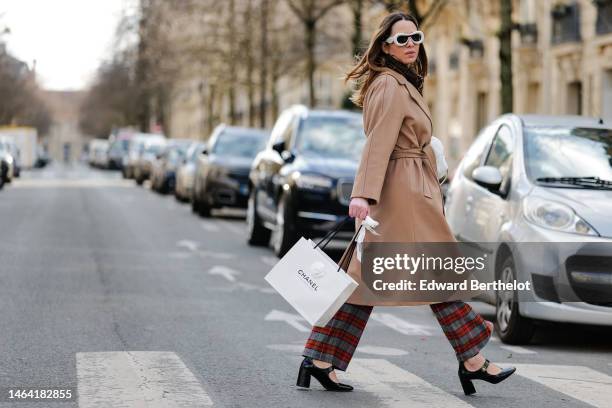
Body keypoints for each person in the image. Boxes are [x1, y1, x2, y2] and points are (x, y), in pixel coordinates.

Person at [296, 12, 516, 395]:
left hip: (411, 189)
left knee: (369, 280)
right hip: (402, 194)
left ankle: (318, 356)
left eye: (416, 36)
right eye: (401, 39)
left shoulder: (400, 83)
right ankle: (473, 359)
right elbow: (378, 143)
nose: (411, 43)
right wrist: (362, 194)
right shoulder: (389, 85)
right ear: (385, 45)